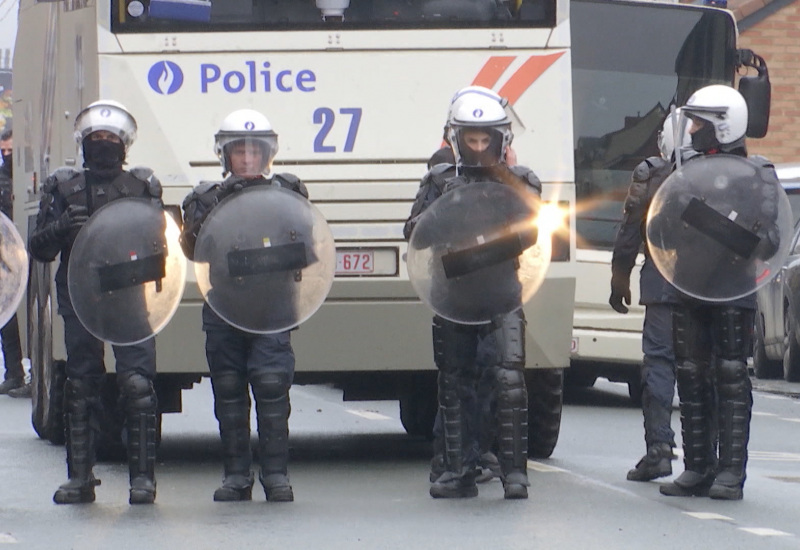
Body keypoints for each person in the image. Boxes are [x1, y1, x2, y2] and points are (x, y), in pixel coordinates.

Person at [405, 91, 540, 499]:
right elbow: (413, 233)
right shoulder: (438, 182)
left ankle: (514, 473)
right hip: (454, 295)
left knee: (508, 380)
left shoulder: (522, 181)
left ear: (501, 140)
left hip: (503, 291)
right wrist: (445, 216)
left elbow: (536, 229)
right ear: (457, 139)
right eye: (472, 139)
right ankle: (459, 471)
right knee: (456, 383)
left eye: (486, 140)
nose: (479, 147)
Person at [28, 100, 162, 505]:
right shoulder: (63, 187)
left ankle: (142, 479)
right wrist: (60, 228)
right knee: (81, 382)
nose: (102, 144)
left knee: (137, 384)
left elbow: (161, 247)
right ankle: (80, 477)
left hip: (128, 292)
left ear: (124, 144)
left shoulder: (142, 187)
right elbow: (39, 249)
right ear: (84, 143)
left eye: (110, 138)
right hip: (79, 292)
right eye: (95, 138)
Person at [180, 109, 306, 503]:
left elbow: (309, 249)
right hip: (223, 308)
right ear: (226, 155)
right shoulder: (204, 198)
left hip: (272, 308)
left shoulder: (288, 193)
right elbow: (191, 250)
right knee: (229, 391)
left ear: (268, 153)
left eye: (255, 151)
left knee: (271, 387)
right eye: (240, 152)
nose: (248, 159)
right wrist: (216, 214)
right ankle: (236, 475)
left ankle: (276, 475)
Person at [658, 85, 772, 500]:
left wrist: (709, 220)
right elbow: (664, 226)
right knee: (689, 371)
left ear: (723, 126)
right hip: (690, 283)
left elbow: (768, 238)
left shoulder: (758, 175)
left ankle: (730, 472)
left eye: (698, 123)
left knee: (730, 373)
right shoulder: (684, 170)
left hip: (731, 287)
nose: (690, 131)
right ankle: (697, 466)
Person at [609, 111, 691, 481]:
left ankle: (659, 449)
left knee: (659, 363)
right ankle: (714, 460)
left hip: (661, 283)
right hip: (709, 286)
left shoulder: (651, 174)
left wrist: (619, 279)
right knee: (708, 369)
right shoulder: (726, 175)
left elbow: (629, 231)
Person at [0, 129, 28, 398]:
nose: (7, 156)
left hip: (31, 250)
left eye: (11, 151)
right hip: (7, 256)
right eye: (3, 151)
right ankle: (14, 372)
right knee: (7, 317)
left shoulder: (30, 177)